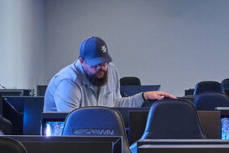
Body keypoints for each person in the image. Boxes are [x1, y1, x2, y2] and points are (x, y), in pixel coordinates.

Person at [44, 37, 174, 112]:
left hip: (96, 137)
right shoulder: (68, 81)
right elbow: (71, 126)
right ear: (82, 61)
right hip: (65, 144)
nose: (102, 68)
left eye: (104, 63)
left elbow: (116, 105)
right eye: (95, 64)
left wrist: (144, 97)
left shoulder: (111, 70)